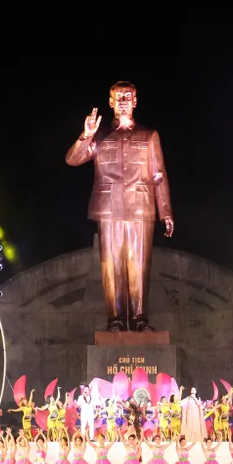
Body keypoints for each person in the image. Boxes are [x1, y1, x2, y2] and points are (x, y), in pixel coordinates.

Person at [65, 80, 174, 332]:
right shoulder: (100, 136)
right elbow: (72, 159)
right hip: (108, 207)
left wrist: (166, 211)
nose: (123, 101)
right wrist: (86, 135)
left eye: (128, 97)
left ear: (135, 102)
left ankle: (139, 318)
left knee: (139, 265)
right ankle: (114, 318)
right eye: (119, 97)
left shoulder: (149, 136)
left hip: (141, 207)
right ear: (111, 102)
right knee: (111, 266)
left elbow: (158, 175)